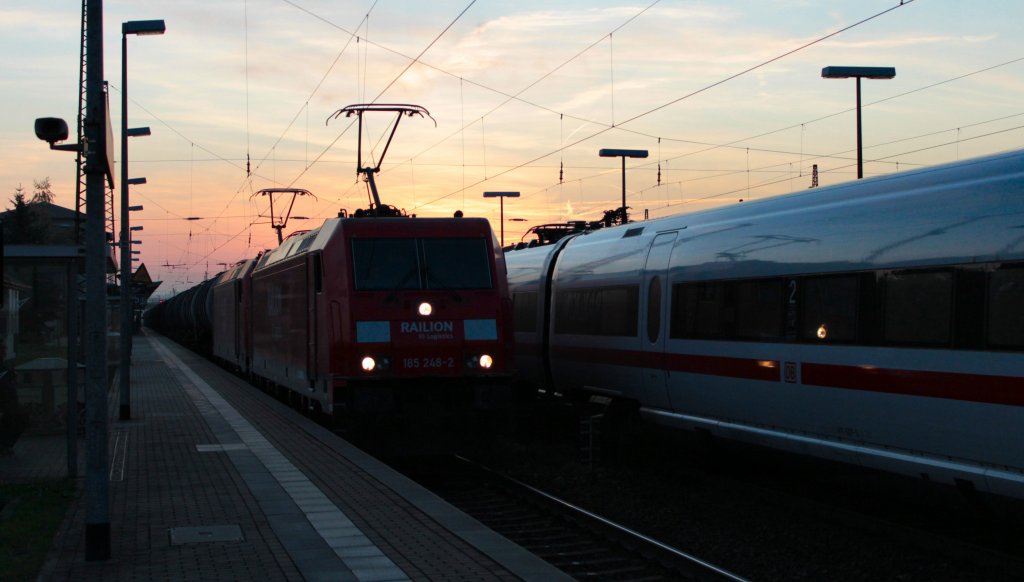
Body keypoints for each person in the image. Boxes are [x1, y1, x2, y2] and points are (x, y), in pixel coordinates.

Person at [0, 341, 25, 454]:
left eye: (4, 348)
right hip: (5, 404)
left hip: (9, 403)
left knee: (18, 419)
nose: (4, 351)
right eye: (2, 348)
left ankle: (5, 445)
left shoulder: (5, 366)